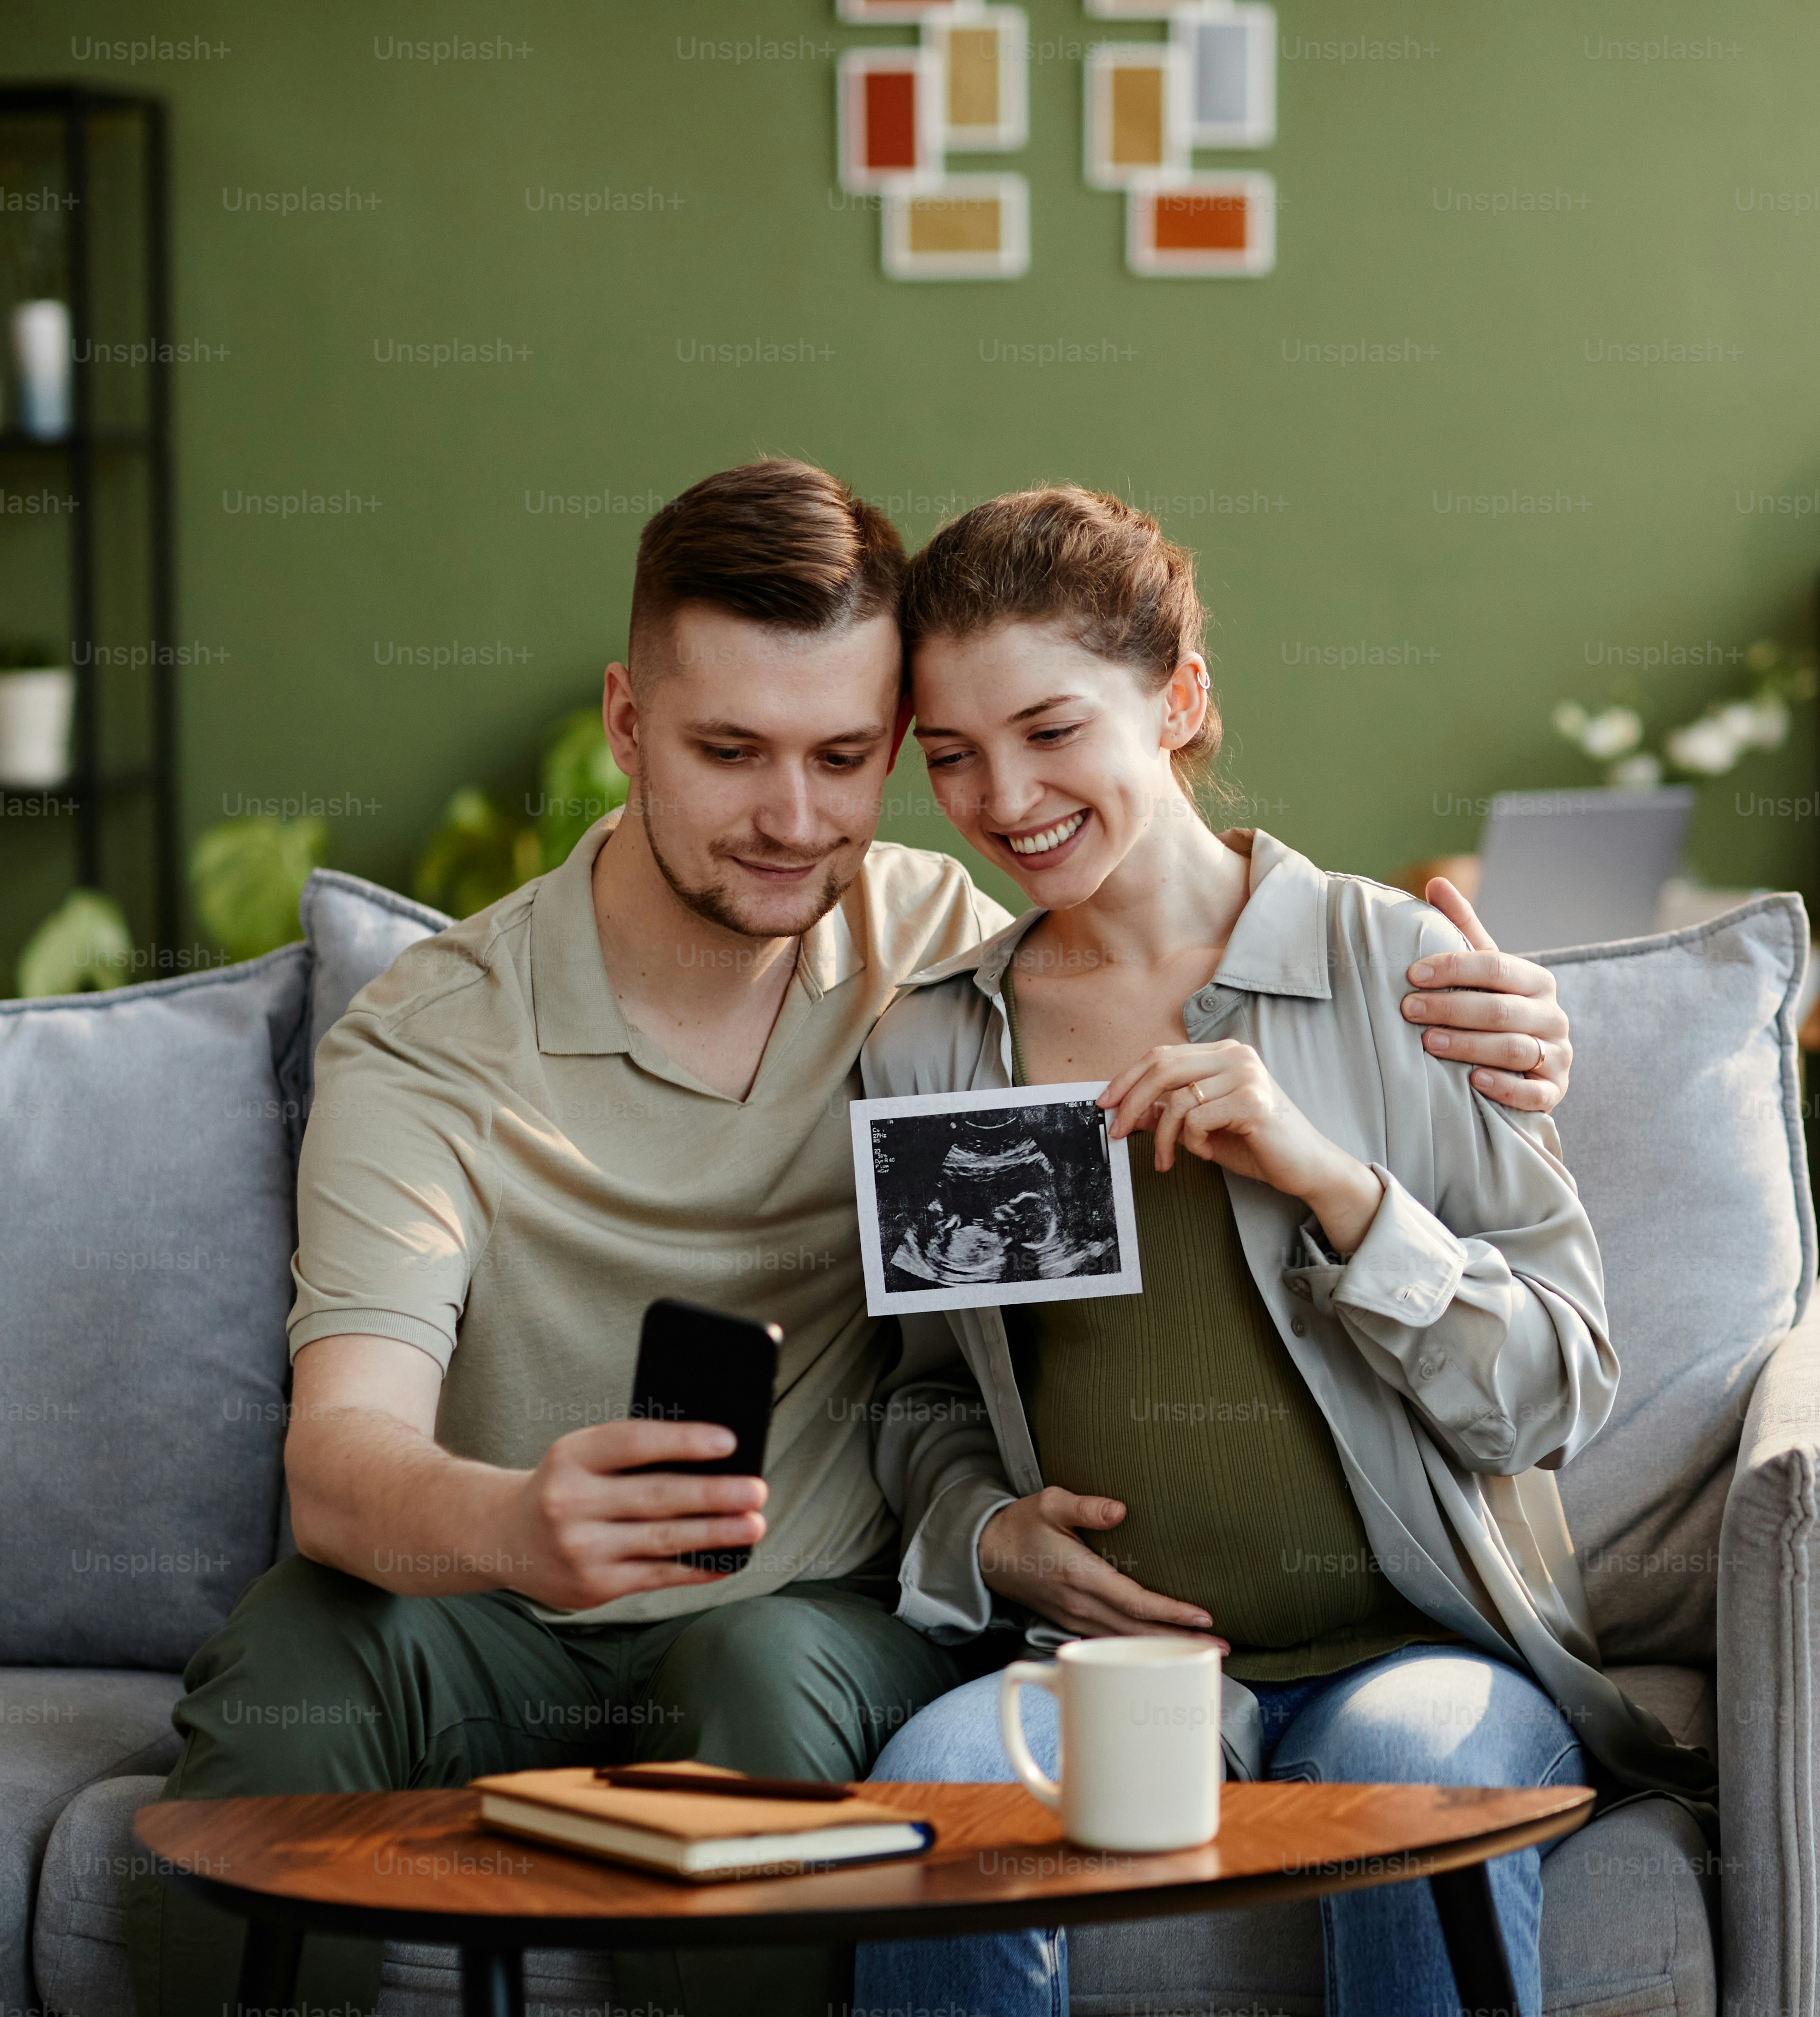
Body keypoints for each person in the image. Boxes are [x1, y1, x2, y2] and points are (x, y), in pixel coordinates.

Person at [128, 461, 1579, 2017]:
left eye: (848, 757)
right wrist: (517, 1526)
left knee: (774, 1688)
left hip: (806, 1625)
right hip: (490, 1603)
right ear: (627, 727)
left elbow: (1207, 943)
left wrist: (1513, 1039)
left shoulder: (943, 960)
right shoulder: (483, 1038)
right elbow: (347, 1459)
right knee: (285, 1701)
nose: (793, 818)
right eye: (731, 751)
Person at [849, 487, 1714, 2017]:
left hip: (1423, 1650)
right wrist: (986, 1531)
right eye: (955, 756)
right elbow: (920, 1403)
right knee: (934, 1804)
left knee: (1396, 1779)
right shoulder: (936, 1050)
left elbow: (1557, 1391)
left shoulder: (1403, 973)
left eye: (1053, 731)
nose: (1004, 795)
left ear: (1179, 699)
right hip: (1110, 1673)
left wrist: (1335, 1187)